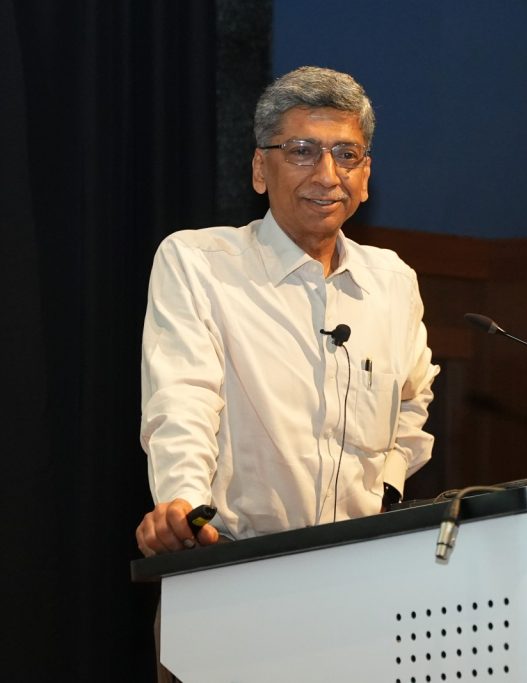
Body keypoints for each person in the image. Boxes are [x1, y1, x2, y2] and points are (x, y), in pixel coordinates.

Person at [135, 66, 439, 558]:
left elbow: (412, 399)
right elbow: (183, 399)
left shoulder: (392, 281)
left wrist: (387, 486)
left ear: (365, 176)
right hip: (234, 559)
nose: (327, 175)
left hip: (363, 563)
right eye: (302, 151)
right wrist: (183, 504)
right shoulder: (200, 262)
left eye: (346, 155)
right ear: (260, 169)